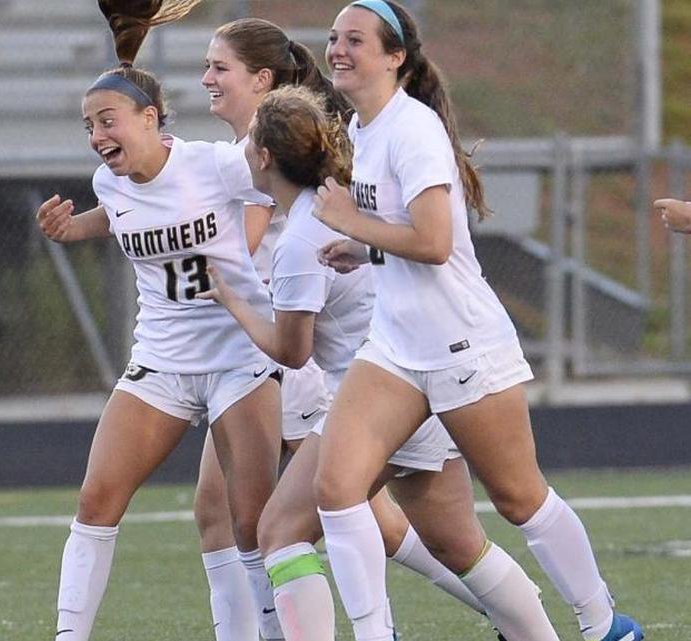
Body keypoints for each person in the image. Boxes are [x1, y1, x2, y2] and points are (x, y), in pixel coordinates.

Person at [308, 2, 643, 641]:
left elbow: (435, 243)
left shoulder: (413, 129)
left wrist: (354, 224)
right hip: (396, 347)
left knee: (520, 499)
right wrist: (363, 246)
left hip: (462, 344)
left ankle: (604, 625)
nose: (338, 50)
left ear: (395, 56)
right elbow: (408, 232)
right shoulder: (361, 127)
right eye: (333, 38)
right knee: (337, 488)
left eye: (355, 40)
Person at [203, 84, 558, 641]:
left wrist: (234, 303)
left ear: (266, 158)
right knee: (456, 543)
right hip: (417, 386)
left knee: (279, 532)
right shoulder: (344, 205)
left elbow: (292, 354)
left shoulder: (299, 239)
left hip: (377, 396)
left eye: (249, 147)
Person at [35, 2, 288, 638]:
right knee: (96, 502)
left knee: (252, 521)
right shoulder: (111, 180)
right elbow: (121, 214)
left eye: (107, 120)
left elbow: (280, 190)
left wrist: (248, 257)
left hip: (240, 358)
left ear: (150, 119)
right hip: (164, 362)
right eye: (88, 124)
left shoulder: (216, 164)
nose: (97, 135)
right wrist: (76, 226)